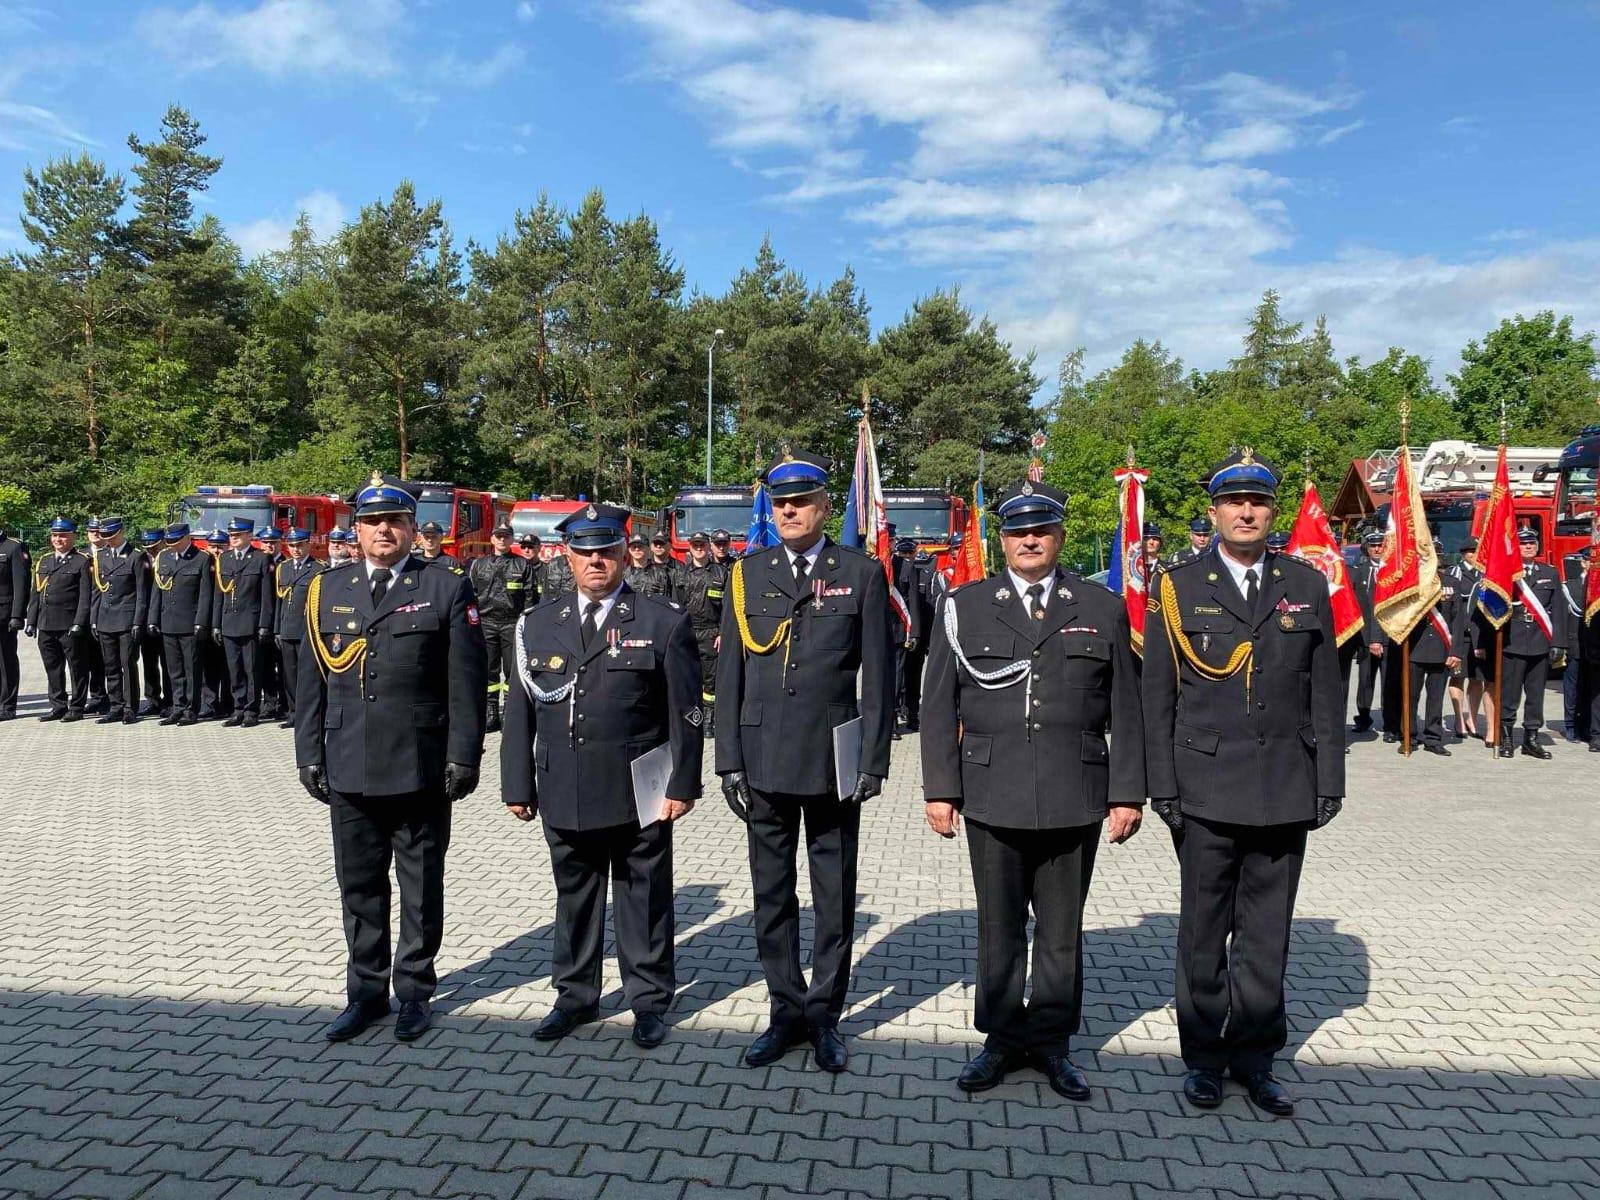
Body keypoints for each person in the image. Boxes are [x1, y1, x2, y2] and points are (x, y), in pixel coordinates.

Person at [921, 480, 1144, 1099]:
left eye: (1041, 530)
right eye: (1018, 532)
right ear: (1003, 540)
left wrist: (1128, 793)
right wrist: (940, 788)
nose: (1029, 541)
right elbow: (937, 705)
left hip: (1076, 790)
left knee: (1060, 929)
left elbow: (1126, 708)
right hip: (992, 790)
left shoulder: (1100, 606)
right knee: (999, 927)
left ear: (1060, 537)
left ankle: (1051, 1042)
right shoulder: (965, 606)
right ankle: (999, 1040)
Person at [1142, 449, 1344, 1117]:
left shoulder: (1306, 584)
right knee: (1204, 933)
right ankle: (1204, 1058)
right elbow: (1157, 696)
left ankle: (1256, 1058)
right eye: (1234, 503)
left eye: (1257, 502)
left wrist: (1330, 776)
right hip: (1204, 786)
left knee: (1266, 933)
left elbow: (1325, 689)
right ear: (1215, 512)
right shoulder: (1178, 586)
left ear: (1272, 512)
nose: (1246, 513)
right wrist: (1162, 785)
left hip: (1285, 783)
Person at [716, 449, 895, 1074]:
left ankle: (824, 1016)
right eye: (781, 503)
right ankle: (784, 1011)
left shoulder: (861, 574)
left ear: (824, 506)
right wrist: (728, 760)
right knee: (771, 893)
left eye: (802, 502)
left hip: (830, 758)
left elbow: (880, 674)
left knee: (833, 894)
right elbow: (730, 674)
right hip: (762, 755)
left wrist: (873, 758)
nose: (790, 511)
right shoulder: (748, 574)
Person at [501, 503, 703, 1048]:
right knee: (575, 896)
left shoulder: (662, 620)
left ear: (624, 555)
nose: (596, 561)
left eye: (607, 551)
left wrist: (683, 783)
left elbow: (686, 712)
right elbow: (518, 712)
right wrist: (517, 783)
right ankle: (574, 996)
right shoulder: (537, 624)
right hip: (564, 783)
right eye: (585, 552)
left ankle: (649, 1001)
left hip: (640, 786)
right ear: (567, 558)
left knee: (643, 898)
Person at [295, 473, 488, 1044]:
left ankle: (415, 992)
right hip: (348, 759)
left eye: (395, 522)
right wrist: (308, 752)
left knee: (420, 885)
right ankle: (365, 993)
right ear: (355, 530)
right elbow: (308, 681)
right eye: (373, 522)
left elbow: (466, 682)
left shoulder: (445, 587)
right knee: (358, 885)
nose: (384, 530)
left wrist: (464, 755)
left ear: (411, 528)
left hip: (418, 763)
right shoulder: (326, 589)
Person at [1487, 527, 1567, 759]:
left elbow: (1559, 610)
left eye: (1532, 542)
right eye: (1523, 543)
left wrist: (1558, 643)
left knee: (1535, 695)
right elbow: (1492, 605)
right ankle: (1506, 738)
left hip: (1540, 642)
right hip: (1513, 642)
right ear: (1516, 547)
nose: (1529, 546)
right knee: (1510, 695)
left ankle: (1531, 739)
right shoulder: (1506, 573)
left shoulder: (1550, 572)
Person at [1399, 541, 1468, 756]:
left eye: (1435, 555)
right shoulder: (1410, 583)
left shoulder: (1451, 583)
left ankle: (1433, 738)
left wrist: (1456, 651)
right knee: (1410, 697)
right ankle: (1408, 736)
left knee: (1436, 698)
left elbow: (1458, 621)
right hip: (1414, 648)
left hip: (1441, 649)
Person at [470, 522, 537, 734]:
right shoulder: (479, 564)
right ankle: (491, 712)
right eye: (498, 535)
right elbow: (471, 595)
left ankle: (509, 711)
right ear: (492, 539)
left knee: (511, 670)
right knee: (489, 670)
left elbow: (530, 597)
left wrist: (526, 624)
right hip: (486, 623)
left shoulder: (522, 565)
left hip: (512, 623)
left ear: (511, 540)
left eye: (506, 536)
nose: (501, 539)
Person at [211, 518, 275, 728]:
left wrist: (265, 624)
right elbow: (219, 595)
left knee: (252, 669)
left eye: (238, 535)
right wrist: (216, 624)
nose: (233, 538)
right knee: (235, 669)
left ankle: (251, 711)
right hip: (229, 622)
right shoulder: (224, 558)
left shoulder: (260, 558)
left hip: (251, 623)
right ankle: (238, 709)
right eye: (231, 535)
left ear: (249, 535)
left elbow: (266, 596)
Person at [26, 518, 92, 722]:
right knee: (52, 667)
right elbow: (36, 593)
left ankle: (77, 707)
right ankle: (58, 705)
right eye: (55, 535)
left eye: (62, 535)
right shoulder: (44, 561)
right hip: (46, 623)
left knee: (77, 667)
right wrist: (31, 621)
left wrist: (79, 622)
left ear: (73, 537)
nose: (58, 539)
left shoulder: (82, 561)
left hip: (69, 624)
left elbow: (85, 597)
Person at [148, 524, 213, 726]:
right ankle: (178, 706)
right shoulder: (164, 557)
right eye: (169, 541)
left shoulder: (201, 558)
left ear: (187, 538)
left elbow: (205, 594)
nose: (171, 545)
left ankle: (191, 709)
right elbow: (157, 590)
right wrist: (153, 619)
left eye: (175, 541)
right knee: (174, 669)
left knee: (191, 669)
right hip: (168, 622)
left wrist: (201, 622)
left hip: (189, 623)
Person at [89, 516, 147, 725]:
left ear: (121, 532)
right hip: (105, 618)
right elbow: (97, 591)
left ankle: (130, 707)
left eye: (111, 536)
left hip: (126, 619)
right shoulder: (101, 555)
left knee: (127, 664)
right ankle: (115, 706)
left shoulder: (136, 556)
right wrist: (94, 619)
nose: (108, 540)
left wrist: (138, 621)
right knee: (110, 665)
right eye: (105, 536)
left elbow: (141, 593)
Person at [677, 531, 727, 734]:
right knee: (686, 676)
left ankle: (708, 720)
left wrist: (722, 632)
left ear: (708, 547)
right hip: (687, 632)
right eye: (695, 545)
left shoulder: (721, 573)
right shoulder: (680, 574)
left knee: (710, 679)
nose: (699, 548)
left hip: (711, 633)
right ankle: (687, 717)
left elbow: (728, 607)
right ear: (690, 547)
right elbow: (674, 605)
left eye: (702, 545)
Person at [273, 529, 321, 730]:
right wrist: (277, 629)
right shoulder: (283, 568)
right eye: (292, 546)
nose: (296, 549)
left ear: (308, 545)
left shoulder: (317, 568)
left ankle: (307, 715)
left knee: (307, 675)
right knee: (289, 675)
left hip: (305, 629)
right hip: (287, 629)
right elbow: (279, 602)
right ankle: (293, 713)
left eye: (299, 545)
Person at [1447, 539, 1487, 738]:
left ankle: (1472, 718)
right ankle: (1458, 719)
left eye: (1476, 551)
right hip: (1460, 634)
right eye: (1471, 551)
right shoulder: (1454, 572)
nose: (1474, 554)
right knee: (1457, 677)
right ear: (1463, 553)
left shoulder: (1485, 573)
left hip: (1479, 634)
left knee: (1477, 678)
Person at [892, 537, 929, 734]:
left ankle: (910, 715)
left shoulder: (918, 570)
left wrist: (916, 634)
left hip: (909, 631)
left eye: (910, 553)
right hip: (895, 631)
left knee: (910, 676)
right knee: (897, 676)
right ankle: (897, 715)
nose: (907, 557)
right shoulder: (886, 567)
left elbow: (916, 602)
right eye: (903, 553)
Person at [135, 530, 171, 717]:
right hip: (146, 618)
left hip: (166, 618)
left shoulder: (170, 558)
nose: (151, 551)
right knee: (149, 661)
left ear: (164, 543)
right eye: (148, 548)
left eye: (155, 547)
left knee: (169, 663)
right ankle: (152, 699)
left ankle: (170, 700)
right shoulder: (141, 561)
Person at [0, 525, 31, 721]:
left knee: (5, 661)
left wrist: (17, 615)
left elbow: (21, 584)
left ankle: (7, 706)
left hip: (3, 615)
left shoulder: (12, 547)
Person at [1560, 544, 1588, 742]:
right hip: (1575, 644)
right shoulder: (1569, 587)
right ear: (1583, 563)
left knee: (1591, 689)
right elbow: (1561, 618)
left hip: (1594, 647)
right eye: (1590, 561)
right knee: (1573, 688)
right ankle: (1571, 724)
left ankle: (1588, 725)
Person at [82, 516, 109, 715]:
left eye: (99, 531)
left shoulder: (113, 554)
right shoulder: (82, 556)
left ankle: (115, 698)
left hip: (108, 613)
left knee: (110, 660)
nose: (95, 534)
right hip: (85, 613)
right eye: (92, 531)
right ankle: (98, 697)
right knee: (91, 659)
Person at [625, 534, 674, 599]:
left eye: (640, 546)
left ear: (648, 548)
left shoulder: (660, 573)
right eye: (634, 547)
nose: (637, 549)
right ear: (629, 550)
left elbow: (665, 599)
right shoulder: (623, 574)